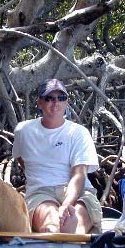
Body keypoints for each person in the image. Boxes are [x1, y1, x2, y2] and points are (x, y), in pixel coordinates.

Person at [12, 78, 102, 234]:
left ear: (66, 102)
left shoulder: (78, 133)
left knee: (77, 229)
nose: (56, 103)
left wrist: (67, 205)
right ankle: (60, 229)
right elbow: (21, 159)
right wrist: (38, 177)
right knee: (51, 226)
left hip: (79, 192)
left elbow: (79, 175)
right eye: (50, 98)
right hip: (41, 193)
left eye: (61, 98)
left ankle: (72, 230)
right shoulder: (23, 131)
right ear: (39, 102)